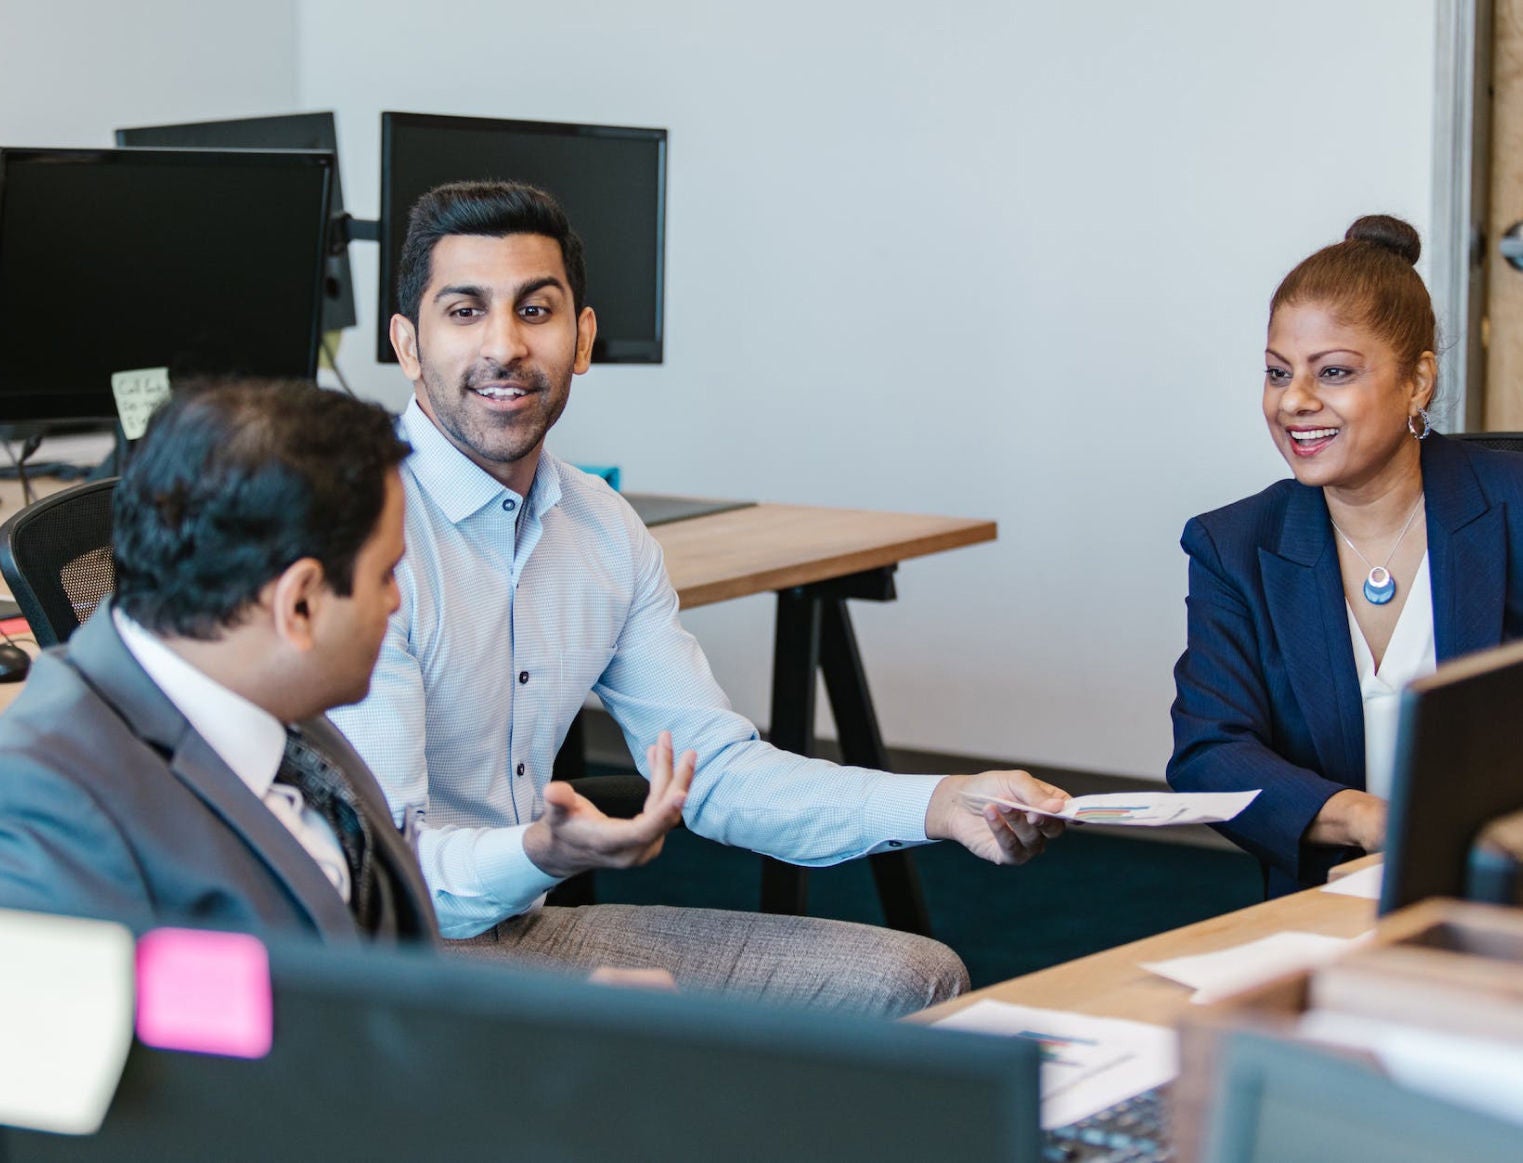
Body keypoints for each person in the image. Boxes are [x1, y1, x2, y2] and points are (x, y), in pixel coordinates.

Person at [329, 180, 1073, 1016]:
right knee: (639, 1030)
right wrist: (540, 851)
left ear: (581, 339)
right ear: (406, 342)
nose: (503, 345)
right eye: (464, 312)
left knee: (912, 979)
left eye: (534, 311)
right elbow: (385, 868)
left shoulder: (601, 528)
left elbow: (714, 773)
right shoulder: (353, 525)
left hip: (518, 927)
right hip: (370, 951)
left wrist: (938, 802)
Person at [0, 380, 440, 940]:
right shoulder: (47, 814)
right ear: (298, 604)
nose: (395, 599)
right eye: (384, 574)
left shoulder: (266, 686)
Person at [1168, 215, 1523, 895]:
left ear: (1418, 381)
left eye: (1332, 372)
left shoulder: (1512, 508)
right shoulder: (1232, 544)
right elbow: (1209, 752)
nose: (1294, 401)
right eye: (1277, 373)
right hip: (1324, 901)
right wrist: (1367, 819)